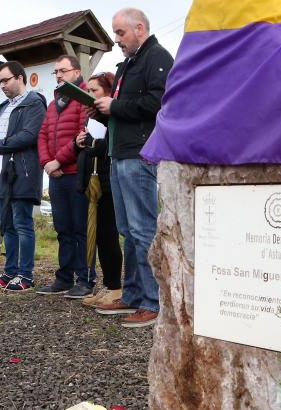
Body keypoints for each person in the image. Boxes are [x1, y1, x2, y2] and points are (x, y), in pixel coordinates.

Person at [92, 8, 173, 328]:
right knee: (128, 231)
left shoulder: (157, 57)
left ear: (140, 28)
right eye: (115, 34)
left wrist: (116, 105)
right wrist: (102, 111)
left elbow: (160, 101)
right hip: (119, 153)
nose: (116, 40)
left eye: (120, 33)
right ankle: (135, 295)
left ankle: (153, 302)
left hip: (140, 155)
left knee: (142, 231)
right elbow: (125, 109)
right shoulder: (129, 63)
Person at [0, 61, 47, 291]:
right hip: (3, 174)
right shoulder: (3, 106)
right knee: (6, 224)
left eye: (6, 80)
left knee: (22, 223)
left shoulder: (35, 103)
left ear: (20, 78)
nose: (2, 85)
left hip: (24, 172)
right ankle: (10, 272)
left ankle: (25, 275)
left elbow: (29, 136)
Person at [36, 55, 92, 298]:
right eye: (56, 71)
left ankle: (86, 280)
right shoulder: (53, 103)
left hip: (76, 174)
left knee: (80, 229)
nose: (58, 75)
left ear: (77, 72)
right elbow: (42, 135)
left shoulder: (84, 98)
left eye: (63, 71)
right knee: (63, 229)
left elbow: (84, 134)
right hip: (56, 175)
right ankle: (64, 278)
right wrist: (47, 163)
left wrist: (59, 160)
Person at [74, 72, 123, 309]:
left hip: (108, 182)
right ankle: (109, 284)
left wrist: (95, 144)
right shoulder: (91, 118)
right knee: (101, 237)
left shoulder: (112, 117)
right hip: (92, 184)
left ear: (108, 91)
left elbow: (109, 147)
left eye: (94, 90)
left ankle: (116, 288)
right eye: (88, 90)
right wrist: (80, 142)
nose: (90, 95)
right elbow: (88, 151)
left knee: (109, 235)